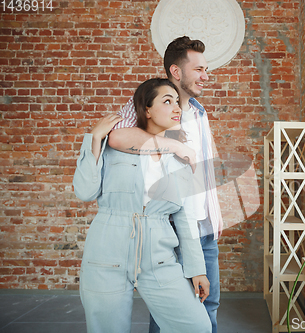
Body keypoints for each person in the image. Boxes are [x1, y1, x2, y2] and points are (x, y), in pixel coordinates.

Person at [73, 78, 212, 333]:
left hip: (159, 261)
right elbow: (84, 191)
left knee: (197, 326)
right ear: (147, 110)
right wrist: (93, 139)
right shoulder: (114, 146)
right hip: (105, 258)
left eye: (177, 102)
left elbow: (185, 220)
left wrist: (197, 271)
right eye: (166, 101)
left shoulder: (181, 159)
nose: (176, 107)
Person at [109, 36, 222, 333]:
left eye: (205, 69)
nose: (205, 76)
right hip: (167, 229)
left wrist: (214, 217)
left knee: (209, 306)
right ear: (176, 71)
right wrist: (171, 146)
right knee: (166, 314)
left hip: (204, 230)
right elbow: (117, 137)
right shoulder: (150, 103)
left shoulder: (199, 112)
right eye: (198, 69)